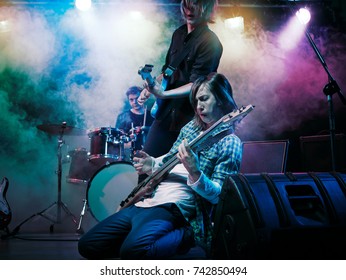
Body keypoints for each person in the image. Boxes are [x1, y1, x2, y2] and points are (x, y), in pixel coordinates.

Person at [78, 73, 243, 259]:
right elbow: (168, 160)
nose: (198, 107)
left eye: (204, 99)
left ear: (221, 99)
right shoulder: (190, 128)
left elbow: (219, 197)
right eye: (196, 101)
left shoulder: (230, 142)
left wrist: (195, 172)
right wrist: (153, 164)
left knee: (133, 251)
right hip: (146, 202)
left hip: (175, 208)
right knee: (88, 245)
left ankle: (189, 236)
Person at [138, 0, 223, 157]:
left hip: (190, 118)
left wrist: (163, 94)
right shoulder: (179, 33)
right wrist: (151, 87)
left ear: (207, 7)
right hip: (165, 114)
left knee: (179, 172)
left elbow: (198, 84)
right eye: (187, 4)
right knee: (146, 167)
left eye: (196, 4)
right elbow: (168, 71)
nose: (190, 9)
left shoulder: (210, 42)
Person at [115, 86, 154, 151]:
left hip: (150, 152)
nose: (134, 102)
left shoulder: (152, 115)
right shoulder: (122, 117)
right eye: (131, 99)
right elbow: (117, 141)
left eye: (137, 98)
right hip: (129, 154)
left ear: (143, 97)